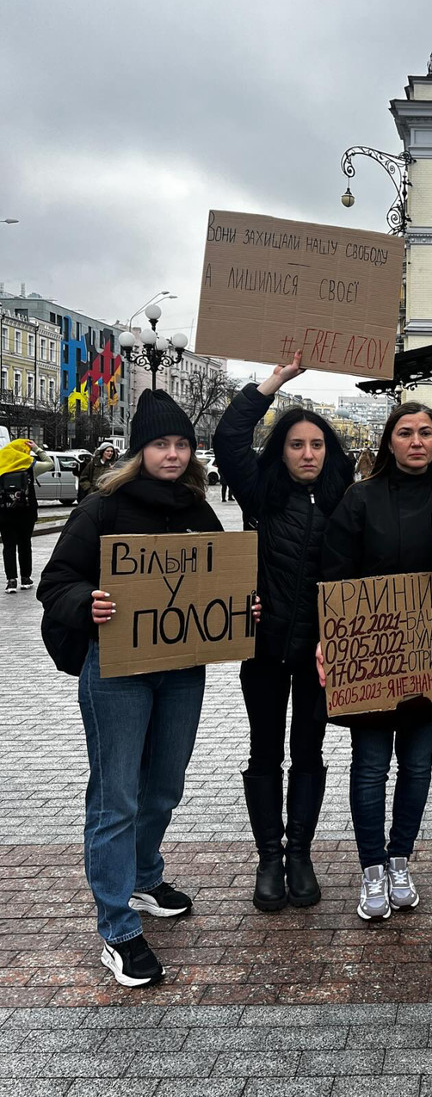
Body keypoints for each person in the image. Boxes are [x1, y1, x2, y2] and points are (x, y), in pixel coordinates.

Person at [37, 390, 222, 987]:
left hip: (181, 668)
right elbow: (55, 582)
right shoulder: (103, 508)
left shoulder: (197, 506)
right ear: (140, 449)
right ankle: (116, 926)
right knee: (116, 795)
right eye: (160, 444)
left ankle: (143, 876)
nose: (172, 454)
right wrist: (83, 602)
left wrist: (241, 604)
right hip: (115, 670)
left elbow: (221, 571)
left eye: (181, 444)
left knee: (164, 785)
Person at [318, 403, 432, 921]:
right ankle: (371, 867)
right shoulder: (359, 499)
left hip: (430, 661)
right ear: (388, 441)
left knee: (417, 766)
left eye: (427, 433)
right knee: (371, 767)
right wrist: (328, 640)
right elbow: (336, 574)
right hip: (373, 660)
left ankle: (400, 860)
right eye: (406, 433)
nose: (417, 442)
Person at [213, 352, 352, 913]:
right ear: (282, 451)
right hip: (265, 650)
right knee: (264, 751)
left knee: (310, 752)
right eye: (296, 444)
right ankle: (269, 857)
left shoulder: (345, 499)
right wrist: (276, 380)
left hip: (321, 654)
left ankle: (300, 855)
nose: (307, 453)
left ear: (329, 451)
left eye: (316, 444)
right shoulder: (260, 492)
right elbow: (229, 435)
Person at [1, 437, 53, 594]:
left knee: (8, 546)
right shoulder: (29, 465)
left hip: (4, 513)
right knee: (25, 544)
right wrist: (37, 449)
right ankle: (25, 578)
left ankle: (11, 581)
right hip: (26, 512)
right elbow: (50, 463)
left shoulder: (1, 464)